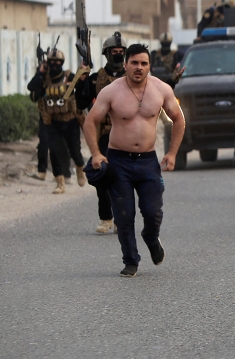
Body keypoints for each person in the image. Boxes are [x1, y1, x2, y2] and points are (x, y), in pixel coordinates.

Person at [82, 44, 185, 277]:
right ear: (126, 64)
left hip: (148, 161)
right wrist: (97, 153)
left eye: (144, 63)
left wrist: (172, 153)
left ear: (150, 66)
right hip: (119, 161)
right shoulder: (111, 91)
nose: (139, 68)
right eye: (135, 63)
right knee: (124, 215)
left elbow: (178, 119)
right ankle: (130, 260)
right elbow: (90, 122)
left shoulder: (161, 89)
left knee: (153, 211)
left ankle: (150, 236)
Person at [27, 48, 86, 194]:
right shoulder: (44, 79)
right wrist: (40, 72)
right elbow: (31, 88)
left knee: (75, 152)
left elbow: (83, 87)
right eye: (52, 62)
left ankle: (80, 167)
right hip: (53, 121)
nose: (55, 64)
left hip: (70, 121)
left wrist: (84, 74)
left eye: (58, 61)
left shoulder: (69, 77)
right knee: (54, 151)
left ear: (62, 62)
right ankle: (60, 183)